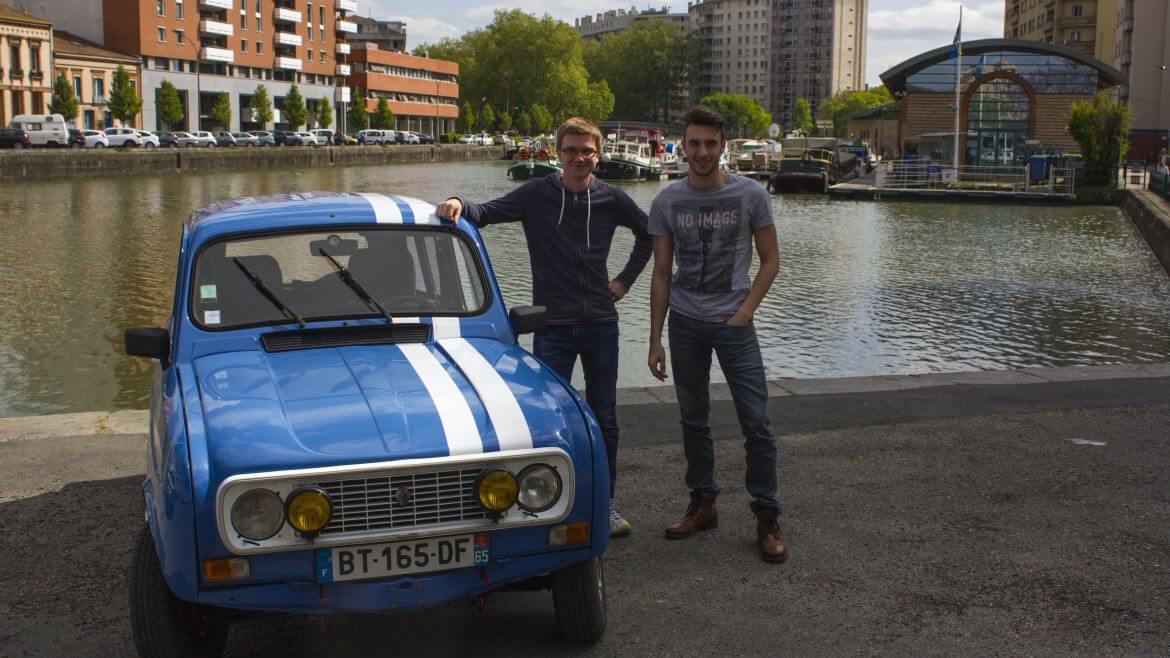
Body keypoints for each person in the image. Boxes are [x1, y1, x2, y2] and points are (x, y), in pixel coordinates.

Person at [435, 117, 652, 537]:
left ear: (598, 154)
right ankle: (547, 504)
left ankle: (604, 504)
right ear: (558, 153)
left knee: (605, 418)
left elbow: (650, 234)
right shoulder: (537, 194)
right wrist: (457, 201)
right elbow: (485, 212)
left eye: (586, 151)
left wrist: (623, 283)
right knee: (547, 419)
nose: (578, 158)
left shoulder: (611, 198)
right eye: (570, 150)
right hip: (553, 325)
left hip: (601, 325)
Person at [646, 105, 786, 563]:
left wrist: (746, 311)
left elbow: (770, 260)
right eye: (694, 143)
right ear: (682, 145)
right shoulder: (668, 201)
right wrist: (655, 338)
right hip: (685, 323)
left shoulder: (751, 196)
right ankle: (703, 503)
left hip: (734, 322)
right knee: (693, 419)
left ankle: (766, 514)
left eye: (710, 143)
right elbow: (662, 273)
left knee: (757, 423)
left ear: (722, 145)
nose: (702, 152)